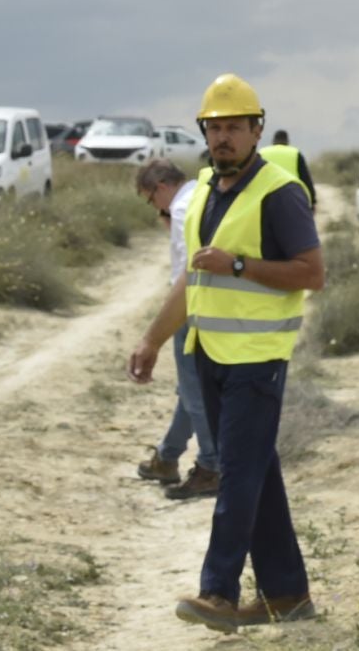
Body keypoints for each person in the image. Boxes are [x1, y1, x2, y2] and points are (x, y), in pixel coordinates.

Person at [126, 74, 324, 632]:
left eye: (234, 127)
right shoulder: (206, 192)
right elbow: (191, 281)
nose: (223, 138)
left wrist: (239, 265)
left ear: (256, 129)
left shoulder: (278, 194)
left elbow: (313, 273)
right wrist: (152, 339)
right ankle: (287, 594)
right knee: (258, 472)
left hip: (257, 360)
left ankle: (218, 591)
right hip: (210, 354)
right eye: (214, 128)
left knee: (236, 474)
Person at [133, 159, 219, 501]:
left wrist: (158, 331)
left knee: (194, 390)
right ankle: (167, 458)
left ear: (160, 188)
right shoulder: (204, 193)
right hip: (214, 308)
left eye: (151, 201)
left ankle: (211, 465)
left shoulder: (183, 208)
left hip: (191, 309)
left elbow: (188, 270)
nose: (156, 210)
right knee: (190, 389)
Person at [261, 130, 316, 210]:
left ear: (273, 141)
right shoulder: (295, 153)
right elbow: (305, 179)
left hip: (266, 197)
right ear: (287, 141)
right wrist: (312, 201)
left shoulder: (262, 153)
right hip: (291, 197)